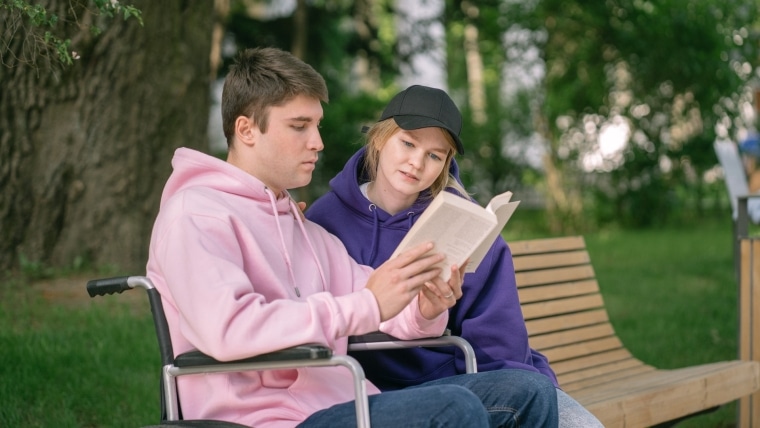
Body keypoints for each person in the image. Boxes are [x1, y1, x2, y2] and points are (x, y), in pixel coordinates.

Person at [146, 47, 558, 428]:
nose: (318, 143)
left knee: (527, 391)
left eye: (317, 126)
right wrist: (366, 304)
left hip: (342, 402)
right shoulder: (196, 214)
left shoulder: (304, 230)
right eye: (299, 126)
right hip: (265, 418)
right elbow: (230, 328)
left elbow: (378, 297)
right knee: (456, 409)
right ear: (247, 129)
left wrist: (425, 307)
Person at [306, 84, 602, 427]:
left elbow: (499, 339)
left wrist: (524, 393)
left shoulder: (464, 223)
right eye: (408, 143)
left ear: (447, 163)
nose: (416, 162)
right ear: (378, 138)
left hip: (466, 381)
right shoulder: (325, 220)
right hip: (370, 394)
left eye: (435, 155)